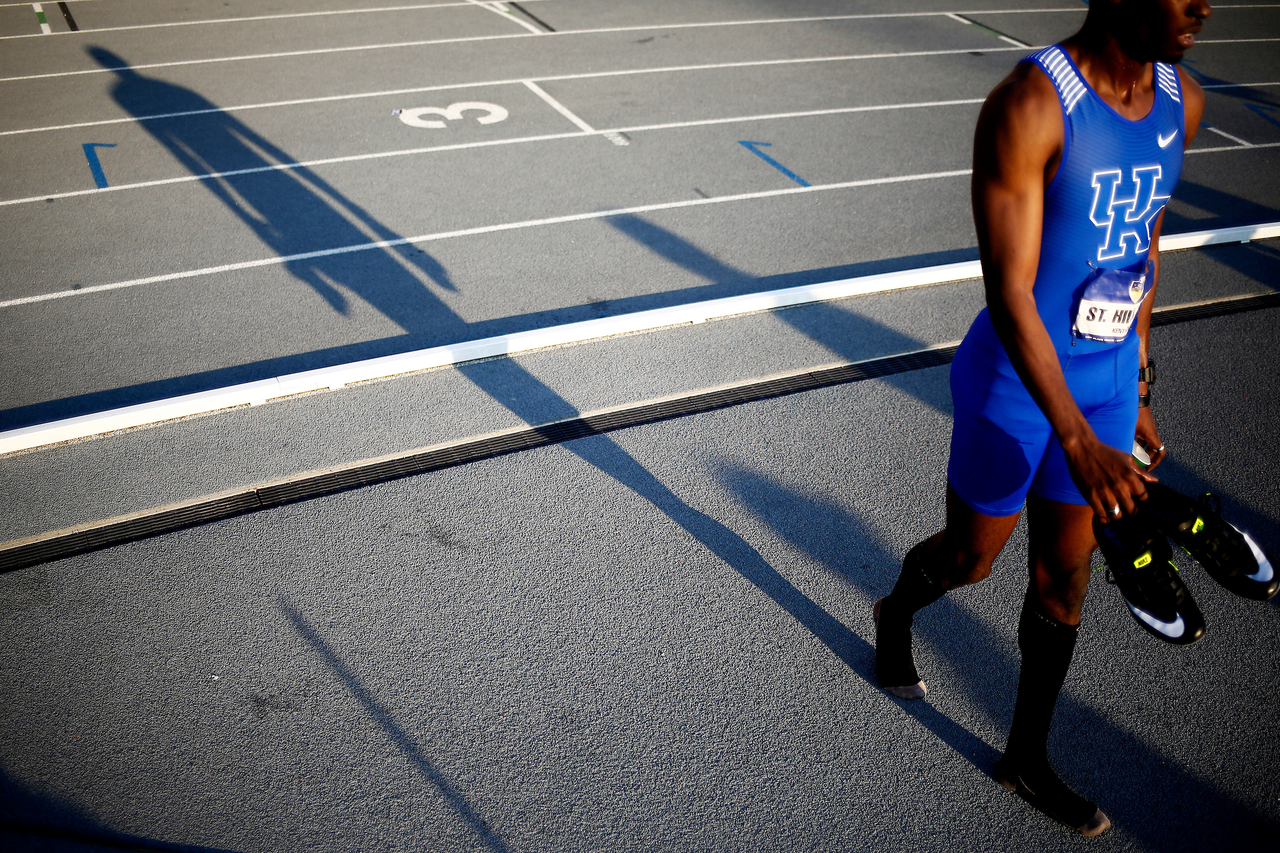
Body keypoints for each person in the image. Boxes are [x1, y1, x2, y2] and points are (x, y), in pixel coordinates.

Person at [872, 0, 1211, 837]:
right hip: (1018, 387)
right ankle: (894, 611)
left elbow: (1145, 242)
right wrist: (1075, 437)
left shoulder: (1184, 102)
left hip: (1103, 382)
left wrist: (1137, 379)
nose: (1204, 3)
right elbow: (1011, 290)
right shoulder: (1028, 104)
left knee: (1067, 577)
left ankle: (1025, 758)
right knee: (970, 559)